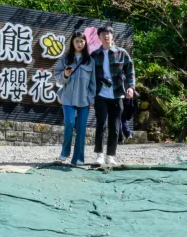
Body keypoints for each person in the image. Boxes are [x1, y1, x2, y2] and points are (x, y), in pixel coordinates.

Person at [91, 26, 135, 166]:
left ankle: (110, 155)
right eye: (103, 34)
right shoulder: (94, 55)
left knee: (115, 127)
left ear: (112, 36)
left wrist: (130, 87)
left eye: (109, 33)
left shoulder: (121, 53)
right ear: (99, 37)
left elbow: (130, 71)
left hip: (117, 94)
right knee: (100, 125)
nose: (106, 36)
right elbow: (89, 76)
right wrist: (90, 94)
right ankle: (99, 155)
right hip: (100, 94)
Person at [52, 30, 95, 166]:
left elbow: (93, 82)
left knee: (81, 129)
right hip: (68, 98)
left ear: (85, 43)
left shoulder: (90, 61)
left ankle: (78, 159)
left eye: (82, 41)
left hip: (84, 100)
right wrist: (65, 74)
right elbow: (58, 80)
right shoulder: (66, 60)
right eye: (77, 41)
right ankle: (65, 152)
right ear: (72, 42)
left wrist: (91, 98)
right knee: (69, 123)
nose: (79, 43)